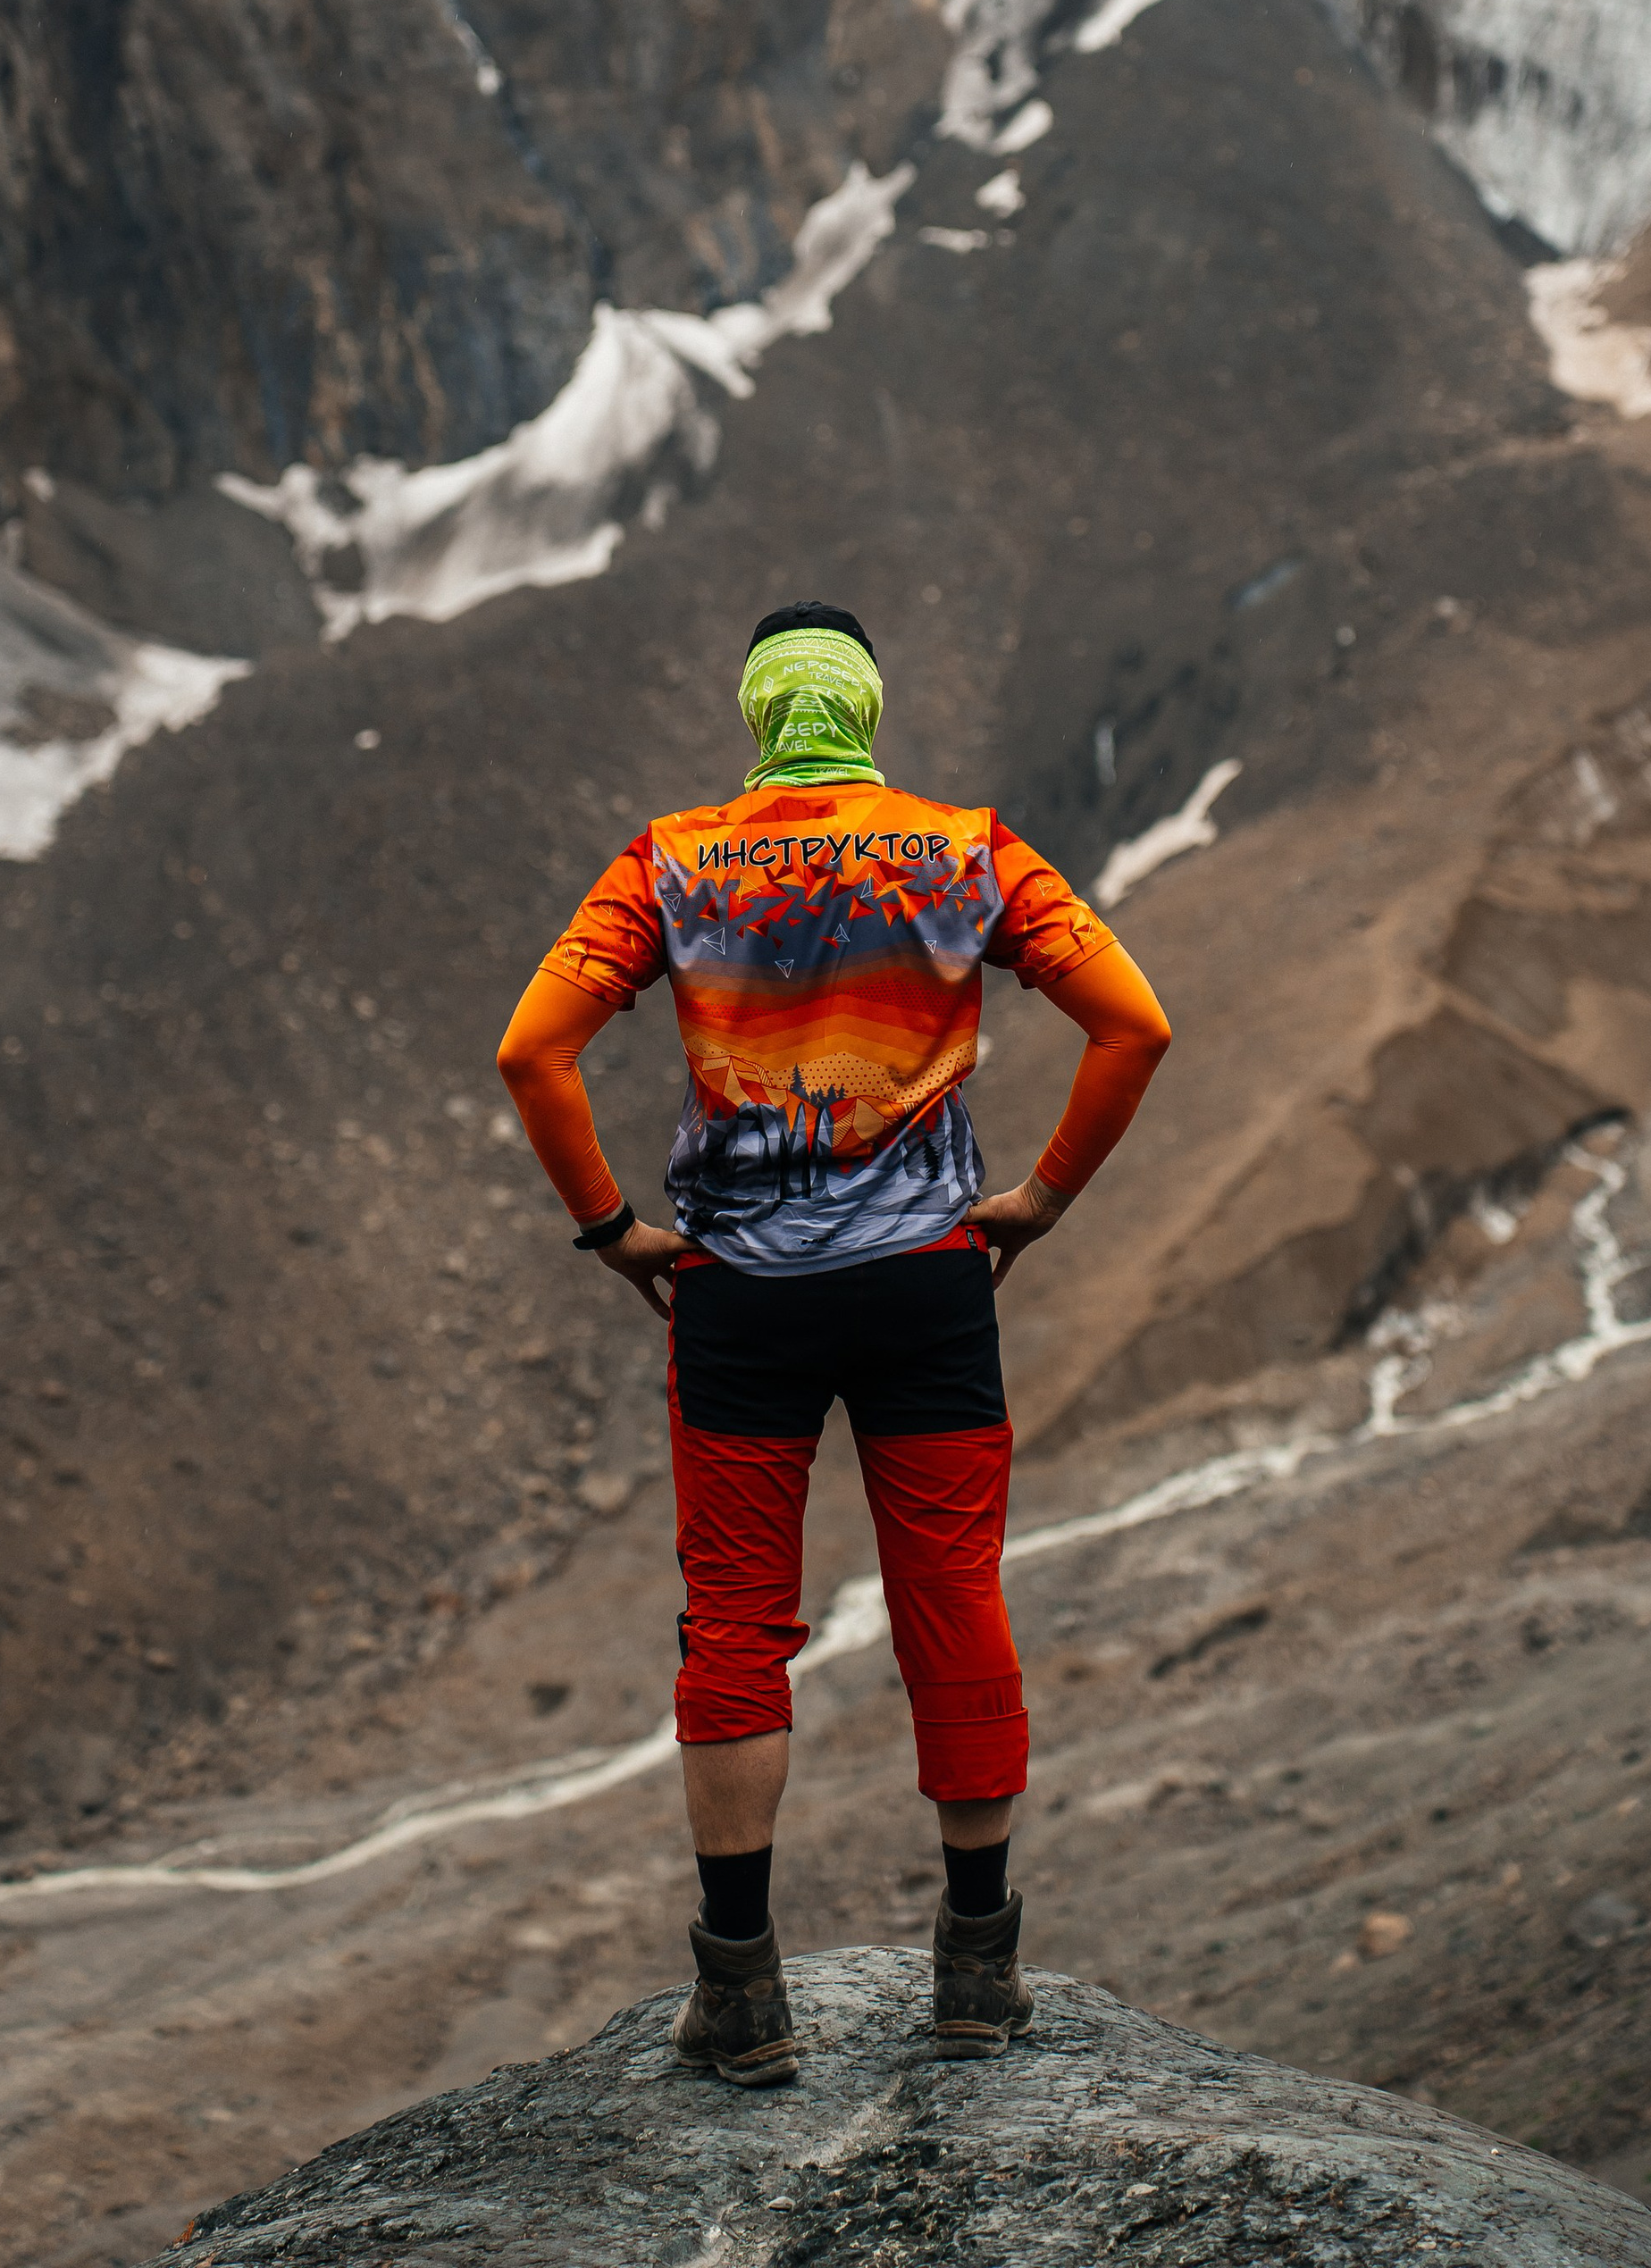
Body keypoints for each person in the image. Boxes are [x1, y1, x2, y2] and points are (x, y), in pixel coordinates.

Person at [496, 604, 1171, 2082]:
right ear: (862, 711)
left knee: (736, 1625)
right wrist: (1042, 1199)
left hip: (740, 1290)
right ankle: (978, 1968)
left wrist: (615, 1230)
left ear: (759, 715)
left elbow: (530, 1052)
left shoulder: (669, 862)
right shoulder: (966, 851)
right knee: (953, 1596)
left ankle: (742, 1992)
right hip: (929, 1283)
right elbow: (1134, 1024)